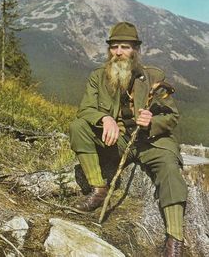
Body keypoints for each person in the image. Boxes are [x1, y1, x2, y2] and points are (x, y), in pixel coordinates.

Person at [69, 22, 187, 257]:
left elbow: (172, 116)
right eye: (114, 47)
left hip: (152, 142)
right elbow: (85, 110)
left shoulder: (154, 76)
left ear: (135, 50)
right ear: (109, 50)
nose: (119, 52)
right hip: (119, 140)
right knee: (78, 126)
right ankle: (99, 189)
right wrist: (105, 118)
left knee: (170, 170)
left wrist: (151, 121)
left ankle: (175, 238)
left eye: (125, 46)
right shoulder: (98, 78)